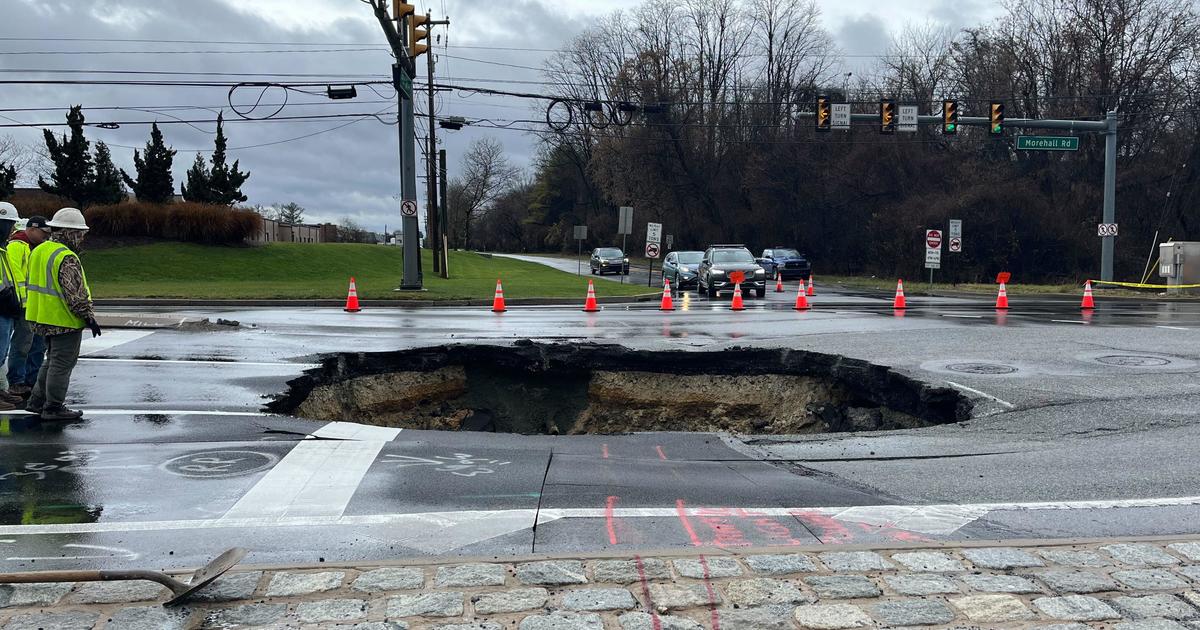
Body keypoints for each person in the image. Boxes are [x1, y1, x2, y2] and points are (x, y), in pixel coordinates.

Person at [24, 208, 101, 421]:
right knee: (62, 363)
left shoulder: (40, 249)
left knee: (51, 361)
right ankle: (53, 407)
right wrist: (89, 317)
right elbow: (75, 293)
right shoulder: (66, 256)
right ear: (71, 232)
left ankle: (37, 402)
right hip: (63, 319)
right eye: (80, 234)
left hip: (41, 316)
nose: (82, 239)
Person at [6, 214, 50, 399]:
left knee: (37, 344)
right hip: (24, 306)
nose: (47, 236)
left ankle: (31, 381)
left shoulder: (37, 248)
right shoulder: (17, 246)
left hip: (34, 305)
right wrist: (21, 302)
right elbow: (15, 275)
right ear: (31, 229)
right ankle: (17, 382)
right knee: (23, 344)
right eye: (44, 232)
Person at [0, 203, 22, 411]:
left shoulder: (3, 249)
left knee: (2, 352)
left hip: (5, 308)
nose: (12, 229)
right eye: (9, 225)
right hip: (1, 308)